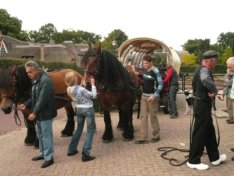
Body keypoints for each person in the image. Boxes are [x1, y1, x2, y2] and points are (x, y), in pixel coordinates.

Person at [187, 50, 227, 171]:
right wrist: (215, 91)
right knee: (200, 132)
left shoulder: (200, 68)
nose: (216, 64)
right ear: (210, 61)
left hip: (201, 103)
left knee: (209, 131)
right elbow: (205, 80)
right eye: (215, 61)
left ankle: (215, 158)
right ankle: (193, 160)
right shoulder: (204, 70)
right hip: (202, 104)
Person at [17, 60, 57, 168]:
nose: (28, 74)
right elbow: (34, 97)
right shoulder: (36, 80)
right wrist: (25, 104)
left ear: (36, 70)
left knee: (46, 136)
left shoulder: (45, 81)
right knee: (40, 135)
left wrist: (34, 112)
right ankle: (43, 154)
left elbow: (42, 99)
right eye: (27, 72)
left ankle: (49, 158)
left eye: (30, 72)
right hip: (39, 114)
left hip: (46, 114)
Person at [65, 71, 97, 162]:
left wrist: (82, 85)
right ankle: (86, 154)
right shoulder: (82, 89)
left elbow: (78, 93)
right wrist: (93, 84)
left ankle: (71, 149)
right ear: (75, 79)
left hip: (79, 110)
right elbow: (93, 96)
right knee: (90, 130)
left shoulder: (69, 89)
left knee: (79, 129)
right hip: (88, 109)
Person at [134, 55, 163, 144]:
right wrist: (137, 74)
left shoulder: (155, 70)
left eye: (146, 63)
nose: (144, 65)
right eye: (144, 63)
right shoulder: (146, 70)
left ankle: (156, 135)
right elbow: (146, 77)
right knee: (143, 116)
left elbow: (161, 84)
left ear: (151, 62)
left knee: (153, 116)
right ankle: (143, 137)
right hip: (144, 96)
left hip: (151, 97)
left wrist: (154, 96)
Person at [222, 57, 234, 124]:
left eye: (230, 67)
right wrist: (223, 93)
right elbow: (226, 83)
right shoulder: (228, 73)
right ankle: (231, 118)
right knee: (229, 107)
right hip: (229, 93)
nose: (228, 69)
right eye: (228, 67)